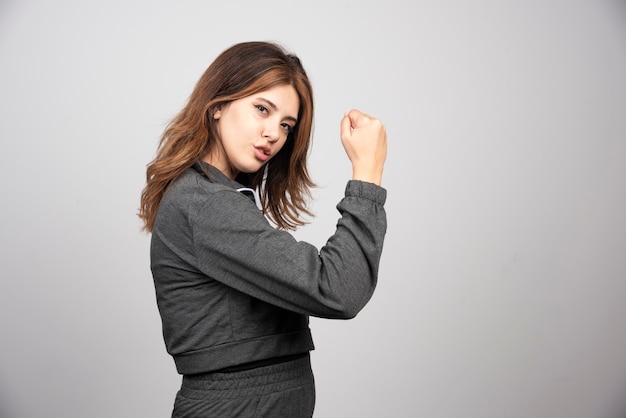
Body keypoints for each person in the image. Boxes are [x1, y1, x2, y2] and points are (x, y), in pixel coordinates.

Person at [139, 41, 388, 418]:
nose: (273, 134)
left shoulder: (218, 196)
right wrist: (367, 174)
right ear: (218, 104)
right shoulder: (206, 203)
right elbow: (338, 289)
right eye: (262, 109)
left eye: (285, 125)